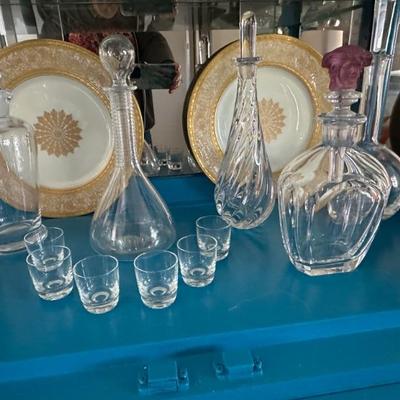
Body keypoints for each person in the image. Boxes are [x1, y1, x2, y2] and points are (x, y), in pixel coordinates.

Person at [68, 31, 181, 145]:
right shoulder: (67, 26)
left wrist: (167, 66)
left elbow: (151, 39)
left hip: (132, 123)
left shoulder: (131, 27)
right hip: (82, 123)